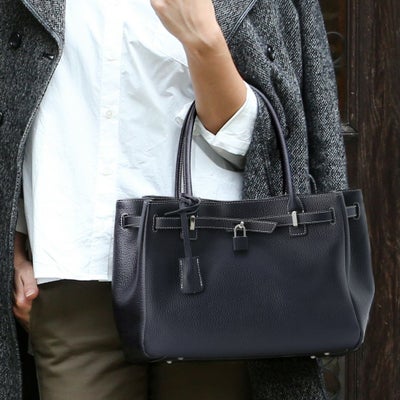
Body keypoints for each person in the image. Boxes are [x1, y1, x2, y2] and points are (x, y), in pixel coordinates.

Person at [0, 0, 348, 399]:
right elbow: (19, 112)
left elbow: (265, 147)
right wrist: (13, 246)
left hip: (220, 271)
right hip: (74, 271)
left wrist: (204, 43)